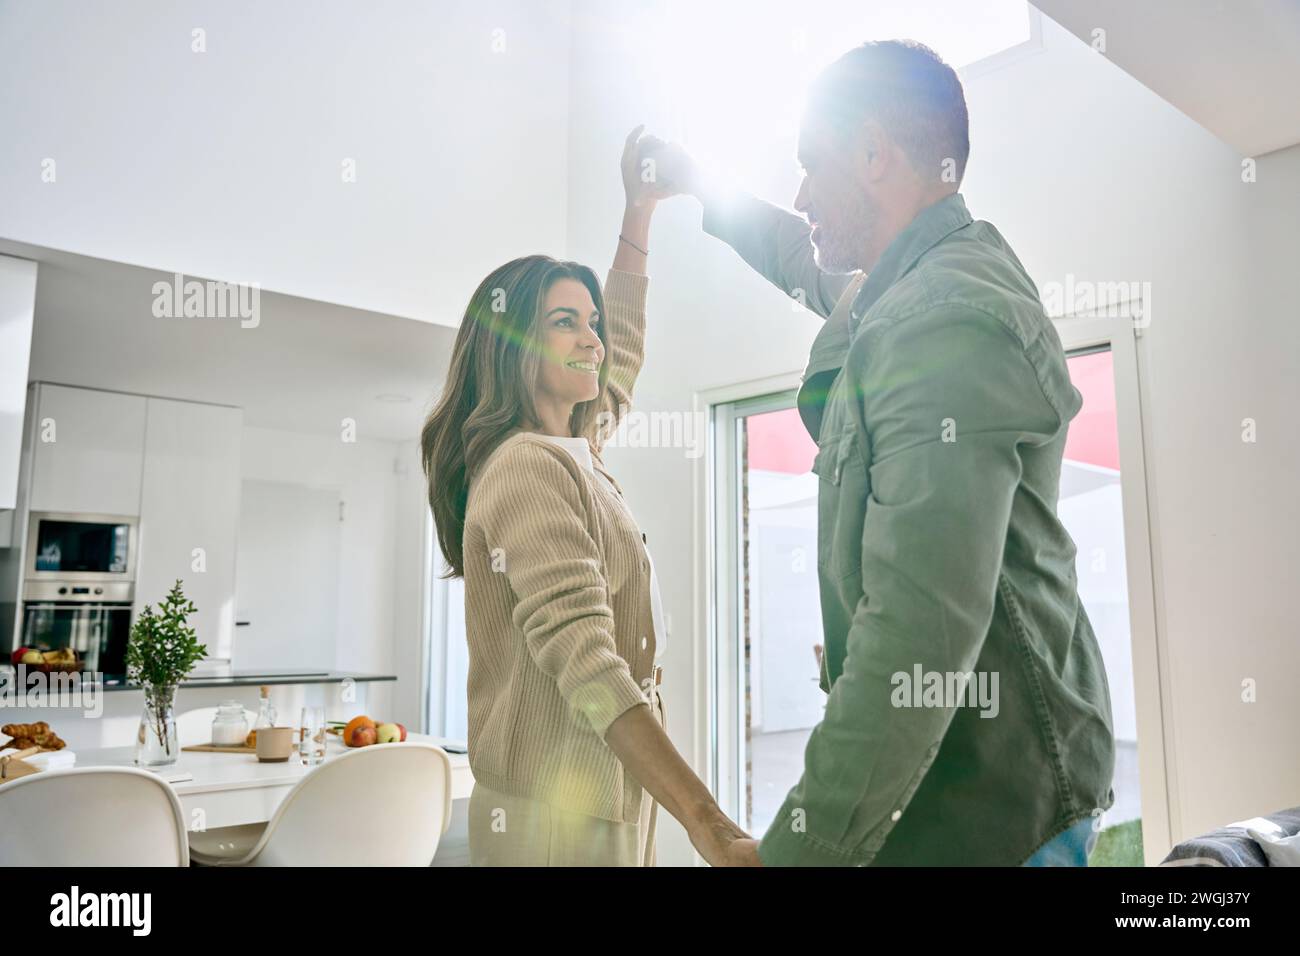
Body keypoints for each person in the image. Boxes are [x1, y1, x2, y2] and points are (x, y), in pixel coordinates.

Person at [646, 40, 1116, 866]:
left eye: (810, 165)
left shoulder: (943, 316)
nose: (800, 192)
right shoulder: (897, 283)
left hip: (999, 806)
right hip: (958, 787)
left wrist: (797, 852)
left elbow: (917, 632)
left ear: (871, 154)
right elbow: (798, 253)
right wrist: (696, 184)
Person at [421, 126, 755, 867]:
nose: (593, 340)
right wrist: (711, 825)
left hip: (608, 791)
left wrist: (639, 212)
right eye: (564, 323)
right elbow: (588, 665)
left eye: (591, 322)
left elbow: (622, 348)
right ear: (512, 345)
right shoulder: (528, 469)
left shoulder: (576, 451)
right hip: (553, 817)